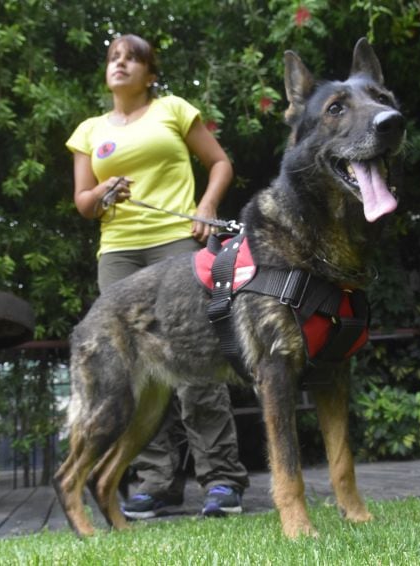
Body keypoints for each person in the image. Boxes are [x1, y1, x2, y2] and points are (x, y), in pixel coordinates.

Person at [65, 34, 249, 519]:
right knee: (131, 372)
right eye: (113, 58)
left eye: (132, 59)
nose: (120, 64)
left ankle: (221, 479)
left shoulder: (172, 109)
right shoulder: (89, 130)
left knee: (197, 360)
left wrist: (206, 206)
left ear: (149, 74)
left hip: (177, 246)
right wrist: (103, 189)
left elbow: (220, 162)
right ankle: (155, 483)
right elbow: (83, 203)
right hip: (119, 256)